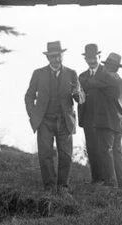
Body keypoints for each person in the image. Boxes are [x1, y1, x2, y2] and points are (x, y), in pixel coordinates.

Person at [24, 41, 85, 196]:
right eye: (52, 57)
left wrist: (77, 94)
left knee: (66, 155)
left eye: (58, 56)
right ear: (48, 58)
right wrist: (33, 114)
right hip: (44, 120)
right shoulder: (38, 73)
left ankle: (63, 187)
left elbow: (81, 98)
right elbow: (29, 96)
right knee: (45, 154)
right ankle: (49, 186)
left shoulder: (72, 73)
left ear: (62, 55)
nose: (56, 60)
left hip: (65, 120)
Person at [81, 53, 122, 190]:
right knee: (116, 153)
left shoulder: (105, 80)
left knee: (105, 151)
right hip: (119, 125)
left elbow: (89, 83)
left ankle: (109, 183)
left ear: (108, 66)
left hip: (106, 122)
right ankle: (120, 184)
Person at [78, 43, 104, 184]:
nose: (91, 61)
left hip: (104, 118)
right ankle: (96, 179)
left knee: (104, 149)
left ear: (99, 56)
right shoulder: (81, 77)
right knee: (92, 148)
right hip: (88, 118)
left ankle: (108, 180)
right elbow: (79, 98)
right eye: (88, 58)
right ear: (85, 59)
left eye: (94, 57)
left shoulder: (107, 74)